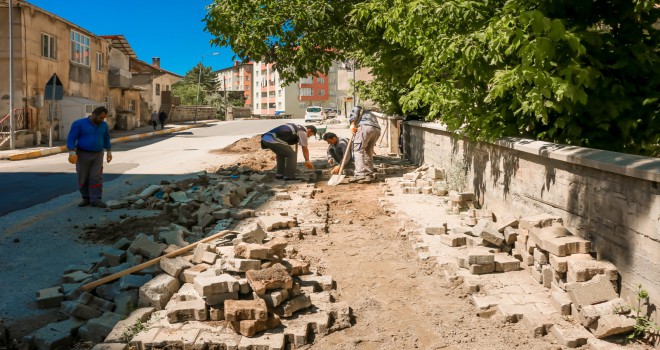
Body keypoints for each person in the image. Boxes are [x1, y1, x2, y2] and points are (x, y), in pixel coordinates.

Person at [66, 106, 112, 208]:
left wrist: (109, 151)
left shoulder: (104, 125)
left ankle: (96, 199)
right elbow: (71, 138)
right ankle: (86, 198)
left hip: (98, 154)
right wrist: (71, 152)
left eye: (104, 118)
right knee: (83, 177)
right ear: (94, 115)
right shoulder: (79, 124)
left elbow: (106, 138)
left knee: (96, 177)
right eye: (100, 118)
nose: (102, 120)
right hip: (82, 154)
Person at [349, 106, 381, 183]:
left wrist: (352, 124)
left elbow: (354, 112)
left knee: (358, 150)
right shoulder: (370, 114)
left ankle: (360, 174)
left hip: (365, 128)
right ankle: (368, 174)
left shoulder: (357, 108)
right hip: (376, 130)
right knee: (368, 150)